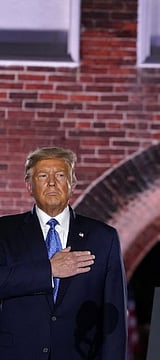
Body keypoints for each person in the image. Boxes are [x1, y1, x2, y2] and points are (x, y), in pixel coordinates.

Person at [0, 146, 127, 360]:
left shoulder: (104, 238)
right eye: (42, 175)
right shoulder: (5, 231)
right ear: (29, 185)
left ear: (72, 184)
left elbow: (113, 314)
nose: (52, 182)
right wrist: (49, 270)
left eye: (60, 175)